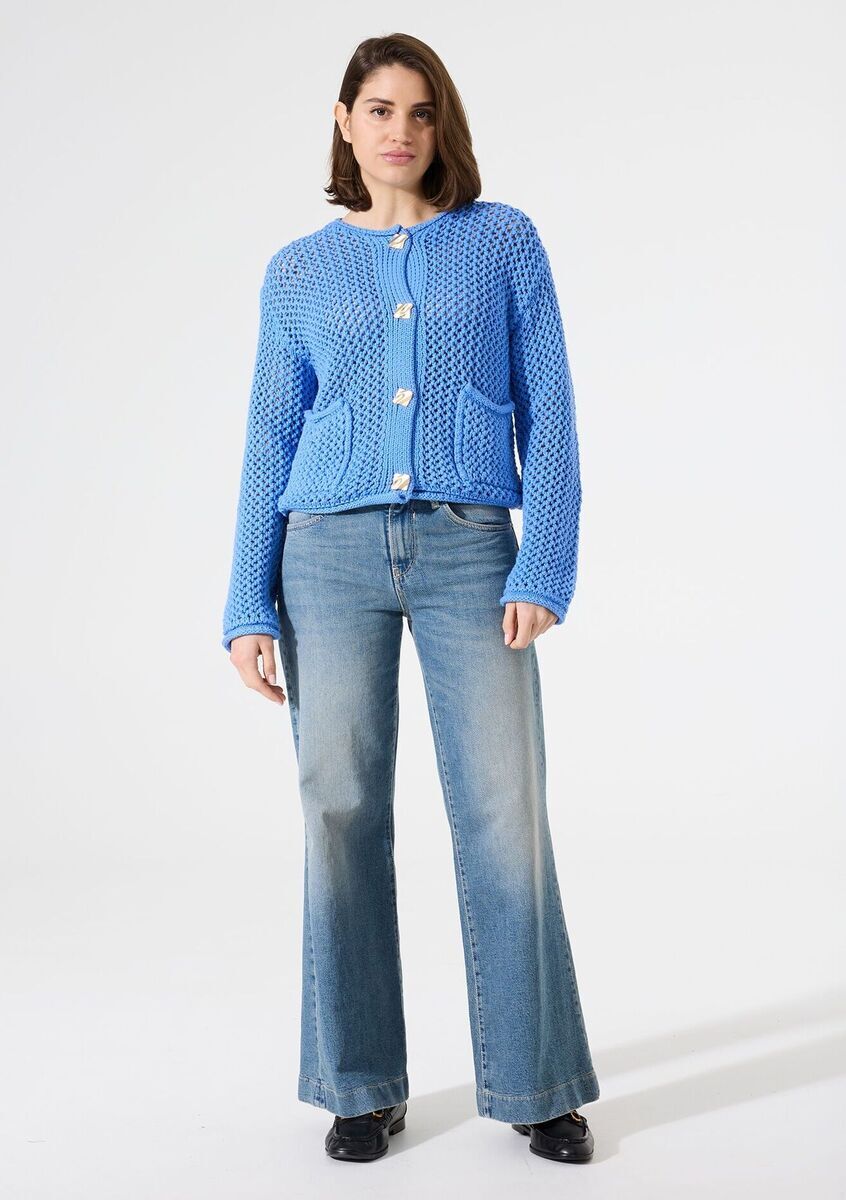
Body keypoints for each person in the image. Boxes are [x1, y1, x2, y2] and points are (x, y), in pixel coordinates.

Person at [221, 32, 599, 1165]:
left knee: (504, 809)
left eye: (420, 112)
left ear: (443, 127)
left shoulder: (501, 241)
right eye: (379, 109)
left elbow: (553, 408)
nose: (400, 130)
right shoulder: (297, 271)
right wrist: (246, 601)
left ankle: (535, 1082)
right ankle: (359, 1084)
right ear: (344, 121)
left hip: (469, 548)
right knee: (338, 809)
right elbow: (269, 433)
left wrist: (545, 563)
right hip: (324, 558)